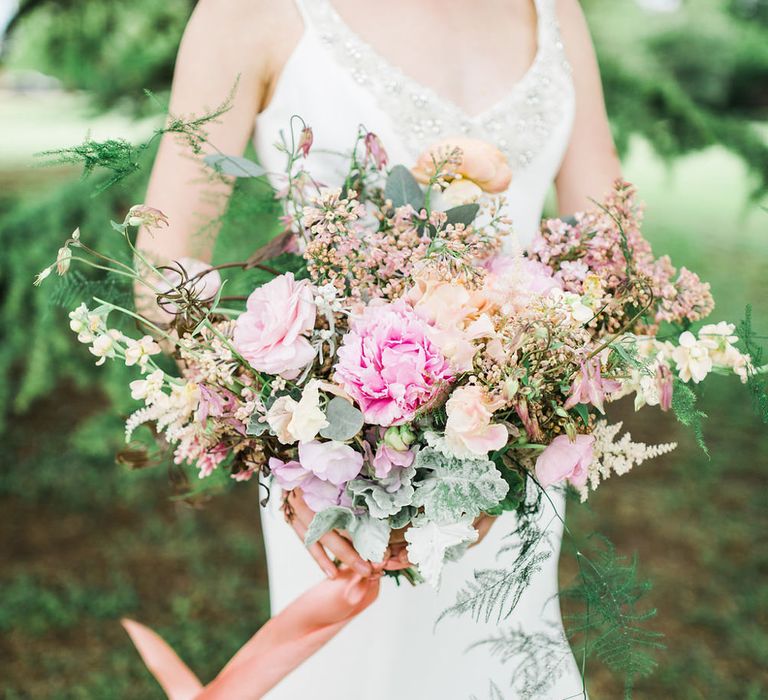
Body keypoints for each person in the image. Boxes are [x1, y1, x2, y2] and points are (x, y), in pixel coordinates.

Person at [138, 1, 621, 697]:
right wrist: (277, 440)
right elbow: (165, 273)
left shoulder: (556, 12)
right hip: (337, 475)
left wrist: (527, 430)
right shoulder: (247, 12)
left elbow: (610, 257)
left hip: (516, 470)